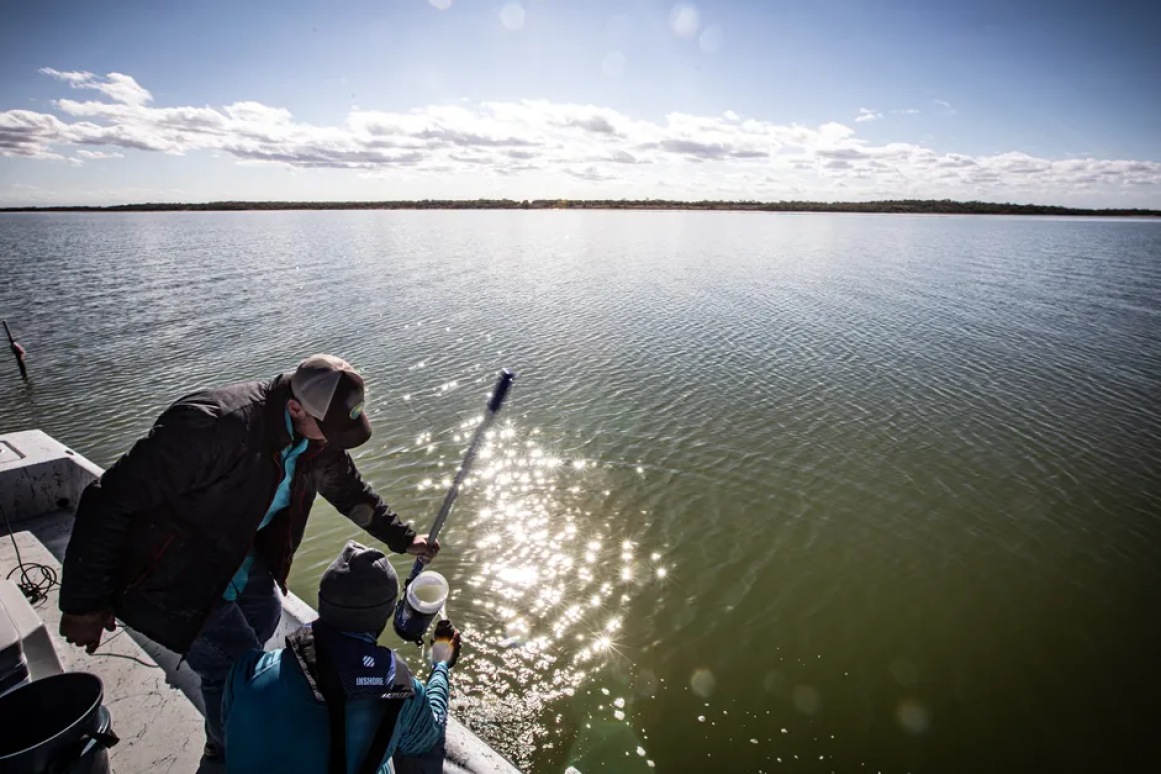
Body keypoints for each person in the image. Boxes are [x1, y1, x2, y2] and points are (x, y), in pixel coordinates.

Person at [57, 354, 440, 762]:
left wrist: (404, 539)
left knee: (266, 618)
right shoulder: (214, 427)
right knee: (237, 666)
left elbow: (350, 492)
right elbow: (107, 500)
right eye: (328, 431)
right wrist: (85, 604)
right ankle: (231, 754)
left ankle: (226, 723)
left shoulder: (316, 435)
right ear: (295, 407)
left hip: (234, 556)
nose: (330, 442)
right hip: (167, 576)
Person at [221, 541, 462, 773]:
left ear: (323, 601)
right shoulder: (398, 691)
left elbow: (228, 728)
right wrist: (441, 662)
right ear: (387, 615)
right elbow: (428, 734)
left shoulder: (248, 669)